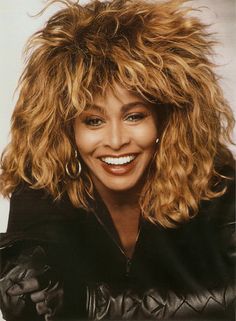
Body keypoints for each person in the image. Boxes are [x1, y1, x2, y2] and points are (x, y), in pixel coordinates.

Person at [0, 0, 235, 320]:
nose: (115, 140)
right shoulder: (42, 184)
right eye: (93, 121)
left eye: (135, 116)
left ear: (166, 117)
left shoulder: (219, 183)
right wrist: (20, 278)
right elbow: (32, 300)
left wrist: (95, 305)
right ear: (66, 127)